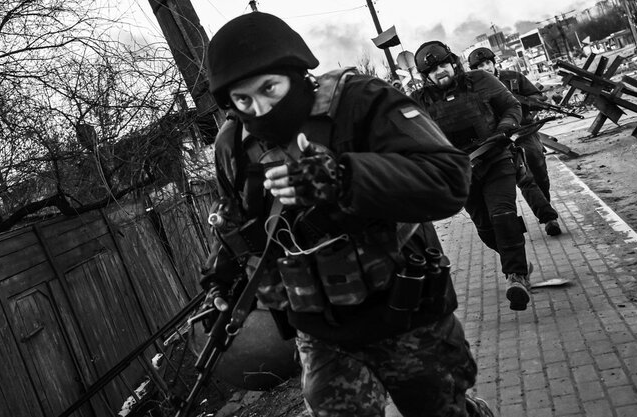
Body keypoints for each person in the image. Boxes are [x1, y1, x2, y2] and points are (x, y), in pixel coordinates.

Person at [200, 11, 494, 417]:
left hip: (406, 311)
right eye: (244, 100)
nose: (261, 109)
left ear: (296, 71)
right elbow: (236, 220)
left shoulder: (361, 101)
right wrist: (220, 276)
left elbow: (449, 180)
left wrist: (345, 178)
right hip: (321, 331)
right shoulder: (233, 144)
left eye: (269, 88)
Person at [410, 40, 533, 311]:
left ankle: (516, 276)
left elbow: (512, 106)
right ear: (426, 76)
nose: (440, 72)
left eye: (443, 65)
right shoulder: (419, 101)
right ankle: (517, 260)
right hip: (460, 172)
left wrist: (504, 128)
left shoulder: (481, 80)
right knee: (486, 229)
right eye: (432, 70)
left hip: (496, 158)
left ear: (453, 63)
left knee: (503, 214)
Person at [467, 47, 562, 237]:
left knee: (538, 169)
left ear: (494, 62)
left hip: (524, 131)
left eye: (488, 63)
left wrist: (520, 102)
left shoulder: (513, 77)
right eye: (480, 66)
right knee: (523, 177)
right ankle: (547, 218)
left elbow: (537, 97)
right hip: (498, 139)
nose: (486, 67)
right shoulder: (473, 88)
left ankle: (546, 206)